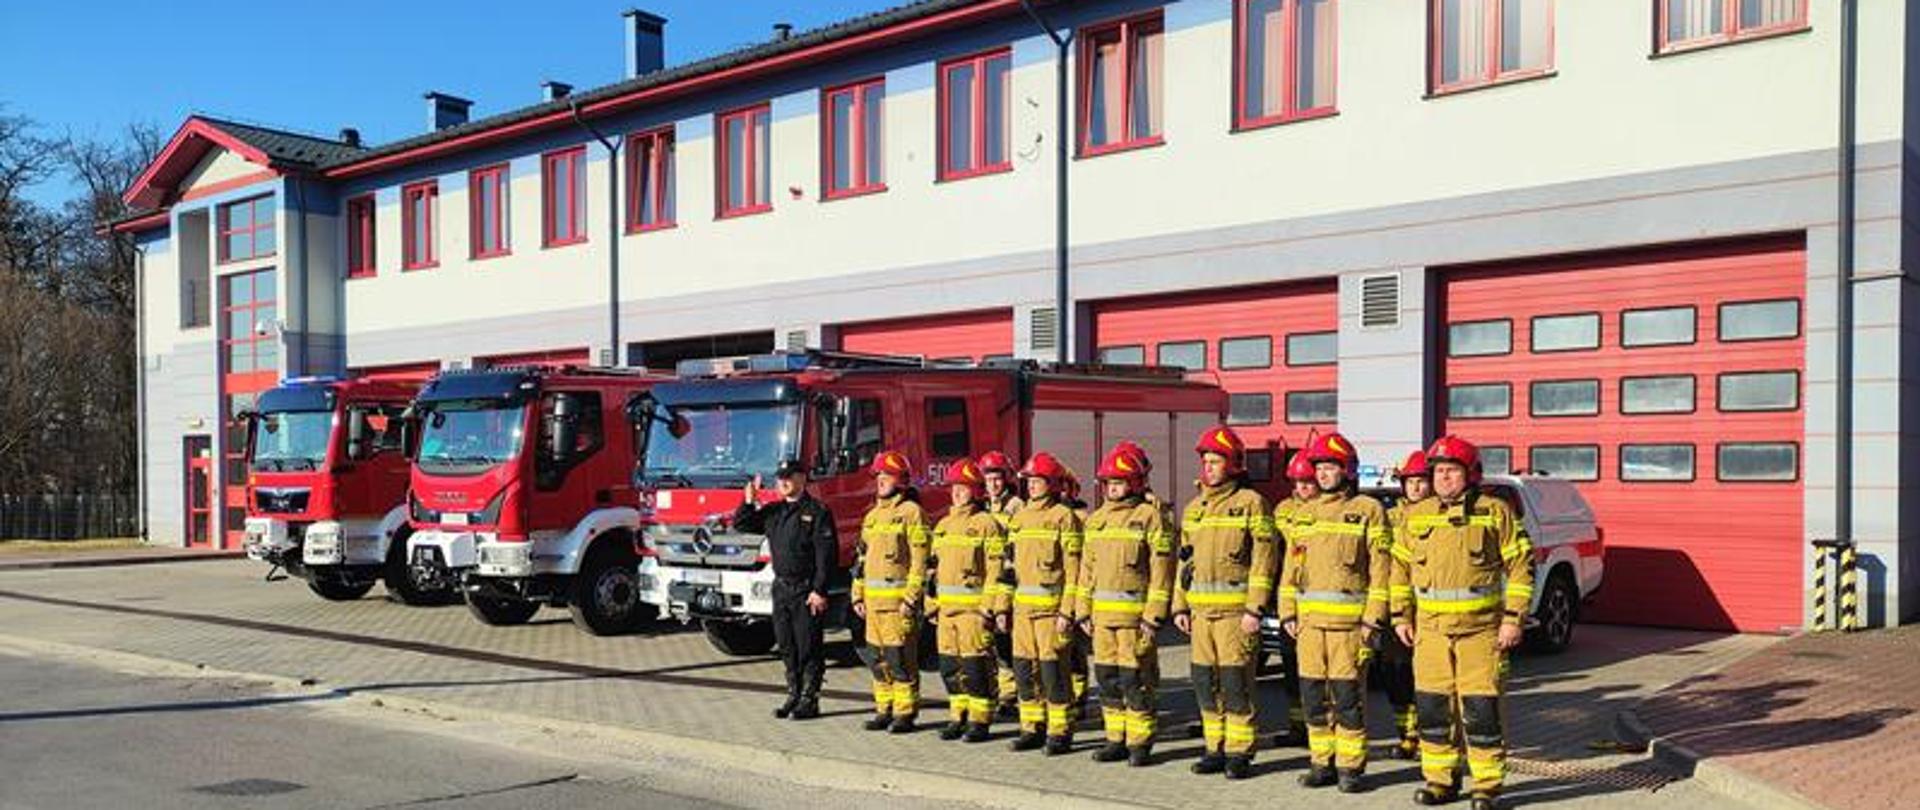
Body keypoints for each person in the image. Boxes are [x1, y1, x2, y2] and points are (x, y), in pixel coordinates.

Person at [1391, 436, 1534, 810]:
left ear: (1470, 474)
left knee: (1481, 711)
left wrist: (1513, 619)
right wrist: (1400, 616)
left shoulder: (1495, 511)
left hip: (1481, 632)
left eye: (1451, 471)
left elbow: (1520, 567)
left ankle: (1487, 786)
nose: (1443, 479)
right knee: (1433, 710)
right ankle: (1440, 781)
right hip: (1430, 633)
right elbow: (1399, 570)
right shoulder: (1415, 514)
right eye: (1437, 472)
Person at [1277, 432, 1391, 793]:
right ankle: (1320, 762)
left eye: (1330, 467)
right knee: (1313, 696)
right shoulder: (1304, 514)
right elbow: (1291, 570)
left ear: (1348, 470)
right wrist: (1288, 613)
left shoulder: (1369, 511)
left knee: (1347, 697)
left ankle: (1350, 767)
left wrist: (1373, 619)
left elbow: (1381, 570)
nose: (1323, 475)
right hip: (1309, 627)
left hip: (1349, 627)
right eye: (1320, 468)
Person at [1172, 426, 1276, 780]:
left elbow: (1264, 560)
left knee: (1235, 684)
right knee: (1205, 682)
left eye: (1216, 461)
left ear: (1232, 464)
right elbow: (1183, 563)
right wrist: (1179, 606)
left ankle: (1239, 752)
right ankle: (1213, 747)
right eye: (1206, 462)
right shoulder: (1193, 509)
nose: (1209, 468)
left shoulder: (1251, 503)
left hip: (1236, 615)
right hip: (1200, 615)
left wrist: (1254, 609)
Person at [1074, 443, 1175, 767]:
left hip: (1135, 621)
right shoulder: (1096, 520)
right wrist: (1082, 611)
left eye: (1118, 482)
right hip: (1102, 620)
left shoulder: (1150, 518)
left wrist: (1153, 616)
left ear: (1133, 483)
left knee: (1136, 681)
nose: (1112, 488)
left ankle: (1140, 742)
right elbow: (1085, 571)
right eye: (1108, 483)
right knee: (1107, 680)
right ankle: (1114, 738)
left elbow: (1162, 571)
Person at [735, 459, 838, 721]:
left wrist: (820, 590)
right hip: (781, 588)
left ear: (802, 479)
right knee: (787, 645)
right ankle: (793, 693)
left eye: (789, 477)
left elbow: (826, 556)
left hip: (806, 590)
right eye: (781, 477)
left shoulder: (817, 512)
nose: (783, 482)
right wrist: (748, 500)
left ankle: (809, 699)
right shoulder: (774, 512)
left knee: (808, 647)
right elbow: (743, 524)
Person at [1004, 452, 1086, 755]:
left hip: (1052, 612)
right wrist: (1003, 607)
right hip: (1023, 612)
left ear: (1051, 484)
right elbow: (1008, 567)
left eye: (1038, 481)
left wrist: (1068, 610)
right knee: (1025, 672)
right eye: (1030, 481)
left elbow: (1074, 570)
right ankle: (1031, 728)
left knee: (1053, 673)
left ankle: (1060, 731)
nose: (1033, 486)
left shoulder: (1063, 517)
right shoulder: (1020, 517)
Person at [927, 457, 1009, 743]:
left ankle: (980, 720)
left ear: (977, 490)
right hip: (946, 613)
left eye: (964, 487)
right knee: (950, 669)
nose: (958, 492)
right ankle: (957, 717)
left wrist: (991, 608)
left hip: (974, 613)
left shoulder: (988, 525)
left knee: (976, 670)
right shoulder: (944, 525)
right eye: (954, 487)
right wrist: (931, 605)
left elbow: (997, 571)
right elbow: (932, 569)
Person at [852, 450, 931, 733]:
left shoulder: (912, 514)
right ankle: (884, 709)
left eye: (886, 476)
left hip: (898, 605)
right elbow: (861, 559)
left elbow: (920, 561)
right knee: (876, 659)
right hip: (873, 605)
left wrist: (911, 598)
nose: (881, 481)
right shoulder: (872, 517)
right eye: (879, 476)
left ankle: (905, 712)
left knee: (900, 660)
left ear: (901, 480)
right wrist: (857, 594)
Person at [1381, 450, 1433, 761]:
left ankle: (1430, 738)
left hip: (1429, 607)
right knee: (1395, 675)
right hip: (1395, 609)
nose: (1415, 488)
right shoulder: (1388, 519)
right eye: (1410, 482)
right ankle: (1406, 735)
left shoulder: (1440, 516)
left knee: (1426, 678)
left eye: (1421, 481)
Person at [1267, 450, 1318, 747]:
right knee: (1290, 668)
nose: (1303, 489)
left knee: (1317, 675)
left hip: (1317, 601)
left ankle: (1319, 729)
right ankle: (1297, 725)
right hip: (1288, 600)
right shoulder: (1283, 510)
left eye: (1308, 482)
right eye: (1298, 483)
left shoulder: (1327, 512)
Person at [979, 450, 1024, 717]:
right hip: (985, 582)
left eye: (997, 479)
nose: (994, 484)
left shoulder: (1016, 507)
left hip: (1008, 582)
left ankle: (1010, 695)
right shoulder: (982, 506)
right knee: (989, 642)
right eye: (989, 479)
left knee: (1006, 641)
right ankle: (998, 690)